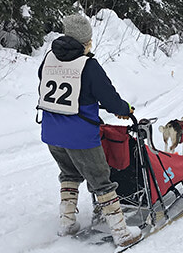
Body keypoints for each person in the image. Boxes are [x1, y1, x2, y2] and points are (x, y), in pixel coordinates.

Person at [37, 14, 141, 247]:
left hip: (52, 133)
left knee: (69, 174)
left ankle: (67, 222)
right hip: (81, 136)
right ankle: (122, 232)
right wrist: (124, 109)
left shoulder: (49, 60)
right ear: (86, 41)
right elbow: (111, 100)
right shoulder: (89, 65)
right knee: (101, 180)